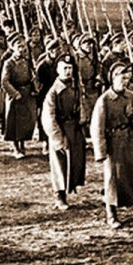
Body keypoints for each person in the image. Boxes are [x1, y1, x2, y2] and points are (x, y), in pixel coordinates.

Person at [91, 61, 133, 228]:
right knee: (112, 178)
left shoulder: (131, 96)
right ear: (113, 78)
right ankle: (111, 213)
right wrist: (101, 152)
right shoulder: (104, 100)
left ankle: (127, 201)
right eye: (122, 78)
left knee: (128, 174)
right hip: (113, 142)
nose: (125, 81)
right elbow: (97, 127)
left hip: (129, 139)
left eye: (127, 78)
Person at [42, 54, 86, 210]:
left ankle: (69, 188)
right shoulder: (53, 92)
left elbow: (82, 104)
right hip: (60, 129)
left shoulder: (76, 87)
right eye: (64, 68)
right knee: (59, 164)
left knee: (74, 162)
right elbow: (48, 117)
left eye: (70, 68)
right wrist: (57, 139)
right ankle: (59, 196)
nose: (68, 71)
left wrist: (82, 118)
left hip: (74, 128)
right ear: (58, 70)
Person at [1, 35, 37, 159]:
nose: (21, 49)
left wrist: (33, 89)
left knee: (25, 121)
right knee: (13, 122)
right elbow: (4, 81)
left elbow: (31, 77)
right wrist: (15, 94)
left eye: (23, 46)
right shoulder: (9, 63)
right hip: (14, 95)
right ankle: (15, 146)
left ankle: (22, 144)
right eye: (18, 47)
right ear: (13, 48)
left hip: (26, 93)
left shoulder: (26, 61)